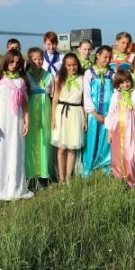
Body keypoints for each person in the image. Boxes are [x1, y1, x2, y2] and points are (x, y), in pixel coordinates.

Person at [0, 49, 33, 201]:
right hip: (0, 121)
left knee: (15, 151)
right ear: (6, 60)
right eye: (11, 61)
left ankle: (14, 187)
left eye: (17, 62)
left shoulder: (21, 80)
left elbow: (25, 104)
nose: (13, 65)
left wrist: (27, 121)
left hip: (16, 121)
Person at [105, 69, 135, 188]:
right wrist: (109, 131)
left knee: (131, 154)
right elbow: (111, 113)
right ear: (117, 84)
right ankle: (120, 178)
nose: (125, 85)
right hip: (117, 128)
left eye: (127, 81)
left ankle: (132, 180)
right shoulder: (116, 95)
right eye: (122, 82)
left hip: (131, 128)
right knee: (117, 153)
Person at [51, 53, 86, 183]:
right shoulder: (59, 78)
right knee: (61, 148)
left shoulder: (82, 79)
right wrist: (53, 118)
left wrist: (85, 120)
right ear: (64, 66)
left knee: (71, 147)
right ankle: (61, 177)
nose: (72, 68)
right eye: (69, 65)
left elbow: (84, 101)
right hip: (61, 113)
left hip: (76, 113)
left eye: (74, 65)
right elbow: (55, 99)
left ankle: (68, 177)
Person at [82, 45, 114, 177]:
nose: (107, 60)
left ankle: (105, 164)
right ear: (98, 55)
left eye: (109, 57)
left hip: (108, 113)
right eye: (105, 57)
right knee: (92, 139)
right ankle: (89, 165)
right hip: (93, 113)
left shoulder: (112, 73)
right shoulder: (89, 73)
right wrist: (94, 113)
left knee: (106, 140)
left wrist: (111, 114)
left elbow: (115, 94)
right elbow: (87, 95)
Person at [24, 47, 53, 181]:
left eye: (40, 59)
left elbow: (52, 95)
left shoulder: (49, 75)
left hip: (44, 110)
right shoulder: (26, 75)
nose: (37, 61)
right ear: (30, 60)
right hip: (31, 109)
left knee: (44, 139)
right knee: (31, 140)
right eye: (34, 59)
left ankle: (43, 172)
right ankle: (30, 173)